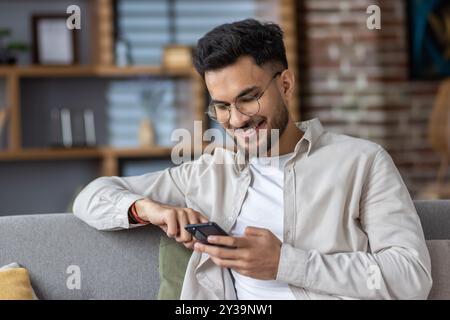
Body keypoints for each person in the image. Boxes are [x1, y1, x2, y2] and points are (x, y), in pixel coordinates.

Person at [73, 19, 432, 300]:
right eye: (223, 106)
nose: (237, 119)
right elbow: (92, 197)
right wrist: (152, 210)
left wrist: (285, 264)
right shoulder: (208, 173)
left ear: (286, 85)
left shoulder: (361, 162)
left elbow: (411, 277)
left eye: (249, 98)